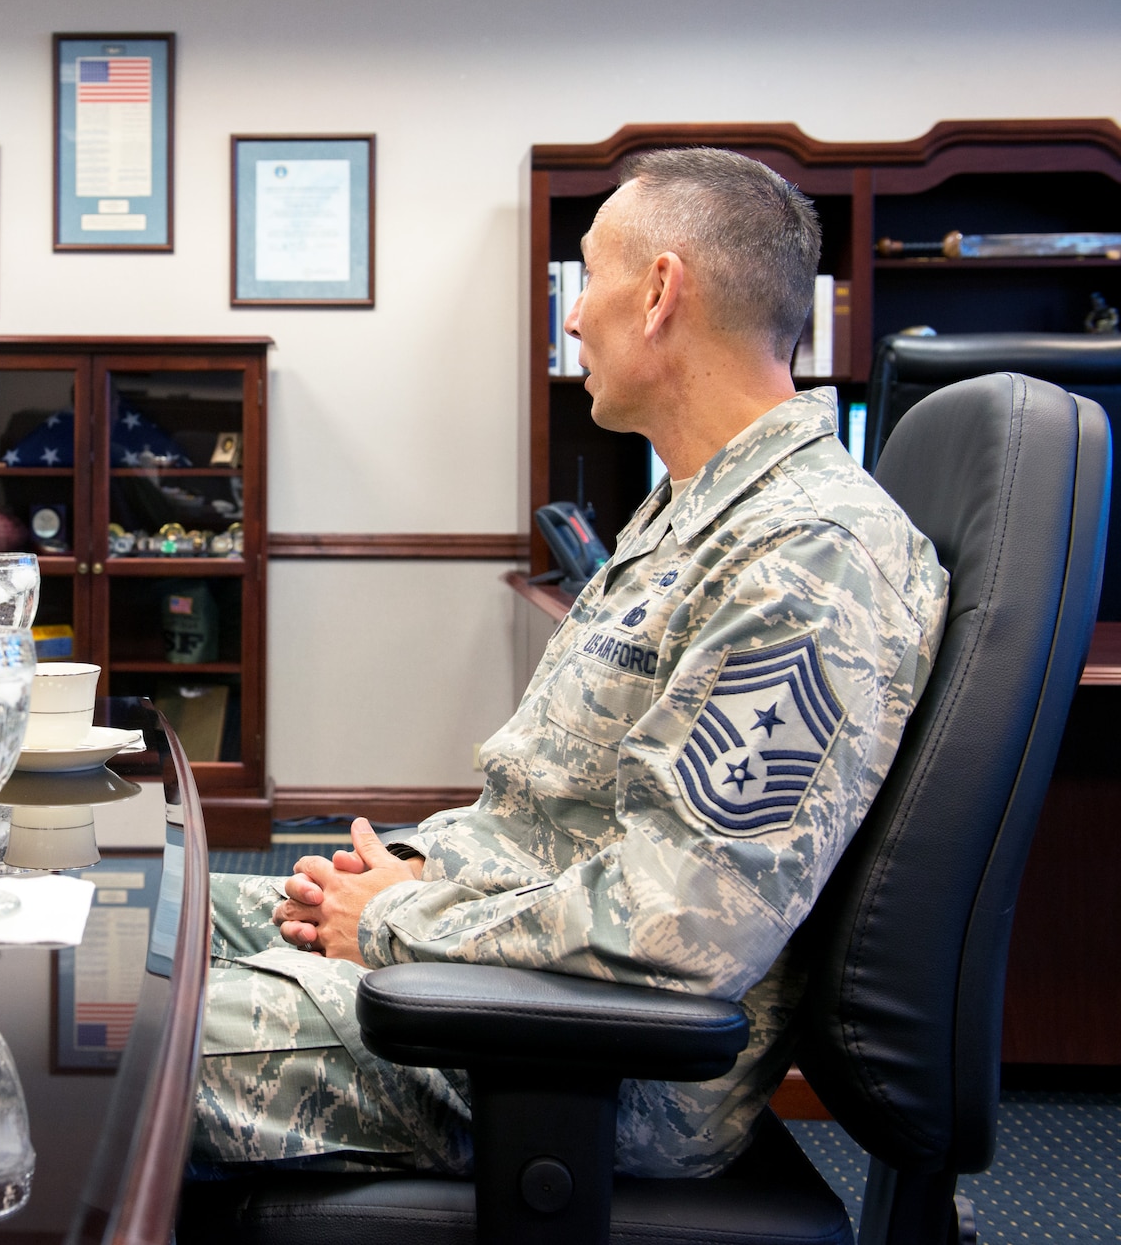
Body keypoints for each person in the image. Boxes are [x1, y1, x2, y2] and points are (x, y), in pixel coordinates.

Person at [193, 149, 951, 1179]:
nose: (572, 316)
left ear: (657, 294)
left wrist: (397, 921)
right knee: (140, 919)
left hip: (590, 1056)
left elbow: (682, 924)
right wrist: (415, 872)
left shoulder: (809, 555)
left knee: (111, 1037)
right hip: (502, 959)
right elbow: (557, 818)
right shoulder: (684, 512)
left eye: (586, 279)